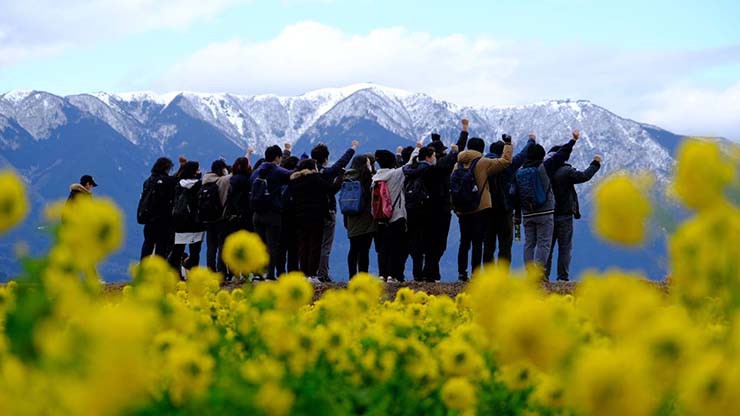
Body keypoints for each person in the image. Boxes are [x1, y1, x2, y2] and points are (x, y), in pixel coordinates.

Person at [513, 131, 579, 276]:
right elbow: (560, 155)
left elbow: (515, 194)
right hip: (544, 212)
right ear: (542, 156)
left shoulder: (519, 172)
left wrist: (517, 214)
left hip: (527, 213)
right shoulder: (545, 167)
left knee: (529, 243)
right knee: (543, 243)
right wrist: (572, 141)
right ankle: (538, 273)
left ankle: (530, 273)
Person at [452, 122, 513, 281]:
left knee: (464, 241)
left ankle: (461, 273)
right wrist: (507, 144)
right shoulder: (482, 162)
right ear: (480, 149)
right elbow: (505, 162)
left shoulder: (457, 164)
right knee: (478, 242)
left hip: (462, 208)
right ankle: (476, 274)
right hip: (480, 207)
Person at [410, 127, 469, 281]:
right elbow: (451, 159)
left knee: (424, 243)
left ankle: (424, 273)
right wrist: (463, 133)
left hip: (419, 211)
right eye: (436, 154)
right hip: (439, 211)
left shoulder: (414, 168)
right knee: (438, 243)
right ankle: (430, 271)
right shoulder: (437, 170)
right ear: (430, 157)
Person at [545, 152, 602, 281]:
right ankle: (562, 278)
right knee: (565, 248)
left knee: (547, 247)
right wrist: (595, 163)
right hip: (564, 215)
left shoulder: (544, 172)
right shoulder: (566, 171)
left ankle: (543, 276)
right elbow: (584, 176)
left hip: (547, 215)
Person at [482, 134, 536, 269]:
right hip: (505, 210)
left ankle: (489, 277)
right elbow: (523, 155)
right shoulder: (508, 165)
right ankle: (503, 275)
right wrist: (531, 140)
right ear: (504, 152)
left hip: (486, 210)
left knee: (488, 244)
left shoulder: (481, 165)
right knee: (505, 244)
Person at [311, 140, 358, 282]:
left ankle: (311, 273)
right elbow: (341, 162)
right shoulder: (328, 172)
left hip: (312, 213)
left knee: (314, 243)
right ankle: (322, 274)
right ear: (325, 158)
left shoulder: (308, 173)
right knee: (326, 245)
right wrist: (353, 148)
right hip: (328, 211)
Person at [372, 146, 418, 282]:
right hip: (396, 216)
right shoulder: (395, 174)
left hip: (380, 217)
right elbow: (409, 163)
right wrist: (417, 149)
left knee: (383, 248)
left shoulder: (375, 177)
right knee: (396, 247)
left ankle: (382, 274)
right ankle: (392, 274)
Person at [288, 159, 340, 282]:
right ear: (312, 168)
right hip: (316, 216)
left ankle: (304, 273)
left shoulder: (294, 181)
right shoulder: (315, 179)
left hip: (298, 217)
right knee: (315, 245)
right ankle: (312, 274)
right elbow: (330, 189)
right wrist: (340, 178)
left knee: (303, 245)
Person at [250, 145, 294, 280]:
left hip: (257, 213)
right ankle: (270, 274)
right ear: (277, 158)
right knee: (272, 245)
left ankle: (258, 273)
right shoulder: (276, 171)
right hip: (272, 214)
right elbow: (291, 174)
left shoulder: (257, 172)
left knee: (259, 245)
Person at [402, 146, 437, 281]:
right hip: (425, 209)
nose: (434, 159)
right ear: (428, 157)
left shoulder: (409, 169)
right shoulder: (429, 170)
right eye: (433, 156)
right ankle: (427, 272)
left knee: (414, 241)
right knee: (427, 241)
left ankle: (416, 273)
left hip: (410, 208)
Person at [342, 154, 377, 279]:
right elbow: (369, 196)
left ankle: (352, 276)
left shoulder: (347, 176)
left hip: (350, 216)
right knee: (364, 250)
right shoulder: (367, 177)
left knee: (353, 249)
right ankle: (362, 277)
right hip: (366, 217)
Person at [168, 161, 205, 279]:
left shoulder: (179, 184)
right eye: (198, 169)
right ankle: (193, 275)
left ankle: (175, 274)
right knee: (195, 252)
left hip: (179, 222)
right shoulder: (199, 185)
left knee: (177, 250)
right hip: (195, 223)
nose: (200, 171)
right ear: (194, 172)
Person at [139, 157, 177, 260]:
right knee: (161, 248)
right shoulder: (168, 181)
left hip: (149, 219)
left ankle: (143, 270)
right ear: (166, 168)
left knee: (147, 245)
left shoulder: (148, 181)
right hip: (163, 221)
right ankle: (158, 273)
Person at [202, 159, 232, 274]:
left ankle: (210, 270)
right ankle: (221, 271)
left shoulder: (205, 180)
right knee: (222, 246)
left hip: (208, 219)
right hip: (221, 218)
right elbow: (235, 174)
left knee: (211, 247)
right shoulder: (223, 180)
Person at [277, 155, 300, 275]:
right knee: (294, 247)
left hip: (280, 216)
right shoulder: (297, 182)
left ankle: (280, 272)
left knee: (281, 247)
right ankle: (293, 272)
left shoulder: (279, 180)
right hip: (294, 218)